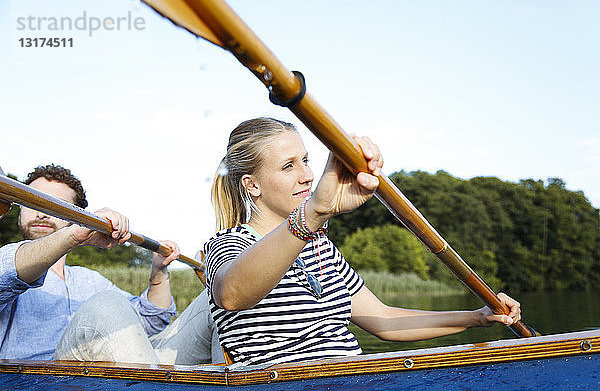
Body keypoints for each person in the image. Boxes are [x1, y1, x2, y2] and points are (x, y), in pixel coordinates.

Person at [203, 117, 522, 366]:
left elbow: (385, 320)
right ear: (252, 185)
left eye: (305, 160)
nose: (307, 175)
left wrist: (478, 317)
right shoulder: (228, 244)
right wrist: (316, 212)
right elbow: (232, 295)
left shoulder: (321, 247)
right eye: (289, 166)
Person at [0, 164, 222, 364]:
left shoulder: (91, 281)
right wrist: (73, 235)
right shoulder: (9, 268)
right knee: (106, 304)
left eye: (55, 205)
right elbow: (6, 272)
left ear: (73, 216)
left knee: (218, 298)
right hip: (40, 381)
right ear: (19, 210)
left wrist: (159, 272)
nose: (41, 213)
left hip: (114, 375)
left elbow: (149, 321)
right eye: (33, 202)